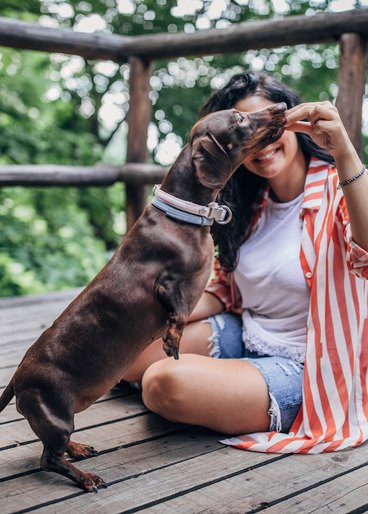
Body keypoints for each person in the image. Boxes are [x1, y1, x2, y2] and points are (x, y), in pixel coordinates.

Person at [124, 72, 368, 454]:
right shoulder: (250, 206)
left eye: (269, 129)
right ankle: (230, 383)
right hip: (247, 332)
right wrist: (156, 313)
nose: (261, 144)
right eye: (245, 135)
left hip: (308, 367)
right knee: (126, 351)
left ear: (295, 125)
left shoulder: (343, 191)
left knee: (164, 384)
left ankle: (235, 390)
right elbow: (226, 290)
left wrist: (345, 151)